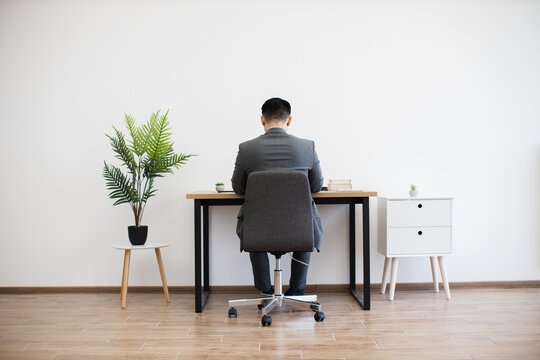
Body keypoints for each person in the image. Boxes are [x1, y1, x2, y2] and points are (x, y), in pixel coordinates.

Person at [231, 97, 323, 296]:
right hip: (299, 225)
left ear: (262, 120)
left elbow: (238, 188)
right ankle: (297, 288)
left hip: (259, 225)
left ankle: (265, 288)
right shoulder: (308, 147)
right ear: (289, 120)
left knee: (254, 223)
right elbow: (316, 186)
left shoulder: (246, 149)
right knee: (305, 220)